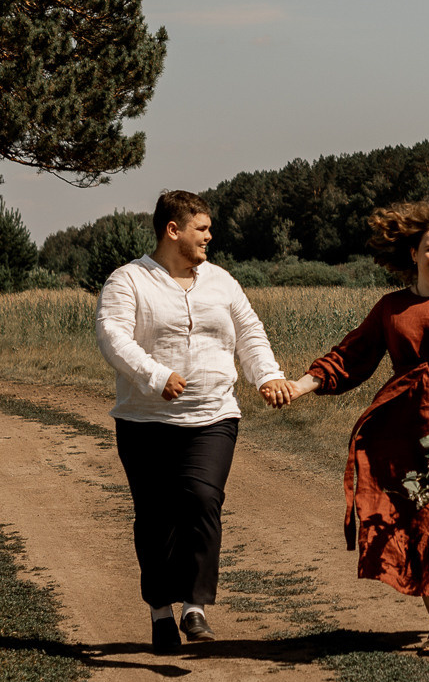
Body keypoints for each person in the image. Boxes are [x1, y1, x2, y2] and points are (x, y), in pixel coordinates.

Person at [281, 202, 429, 656]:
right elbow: (352, 355)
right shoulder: (392, 307)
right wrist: (300, 386)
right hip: (406, 427)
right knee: (427, 519)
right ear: (413, 253)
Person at [96, 189, 296, 652]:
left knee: (203, 499)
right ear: (173, 230)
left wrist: (267, 375)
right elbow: (112, 336)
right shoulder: (129, 281)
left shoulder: (221, 281)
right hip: (145, 421)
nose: (210, 236)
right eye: (202, 228)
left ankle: (194, 605)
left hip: (213, 415)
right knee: (156, 516)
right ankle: (160, 610)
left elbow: (249, 331)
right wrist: (155, 375)